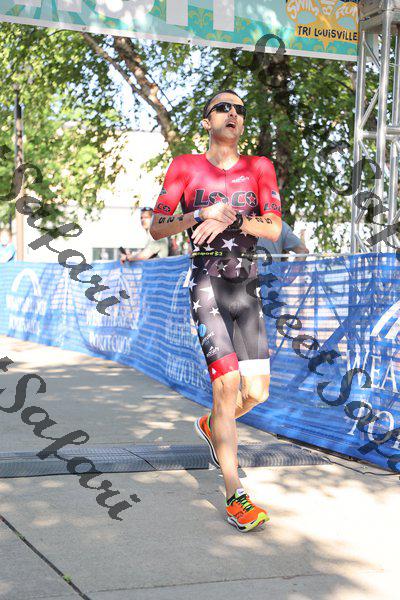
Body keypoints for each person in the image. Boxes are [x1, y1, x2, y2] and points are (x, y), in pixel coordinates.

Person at [150, 89, 282, 532]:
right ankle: (235, 495)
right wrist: (201, 212)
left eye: (239, 109)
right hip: (206, 283)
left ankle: (212, 425)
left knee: (256, 393)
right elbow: (157, 227)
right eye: (223, 108)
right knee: (226, 388)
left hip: (246, 287)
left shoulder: (259, 167)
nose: (233, 114)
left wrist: (232, 218)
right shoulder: (185, 166)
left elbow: (274, 227)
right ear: (207, 121)